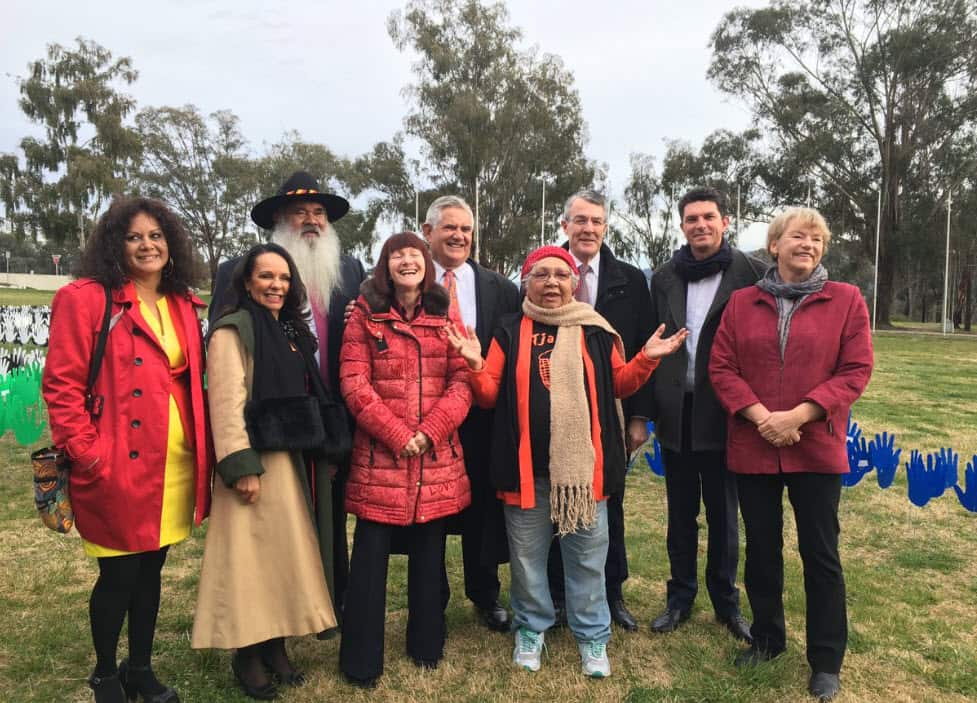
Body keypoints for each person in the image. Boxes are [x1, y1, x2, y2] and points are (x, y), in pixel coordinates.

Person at [447, 246, 687, 678]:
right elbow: (486, 394)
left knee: (588, 559)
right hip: (525, 473)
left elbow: (619, 383)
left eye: (561, 274)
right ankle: (531, 628)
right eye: (542, 274)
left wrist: (647, 358)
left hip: (584, 475)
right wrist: (473, 363)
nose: (552, 283)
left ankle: (593, 636)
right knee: (526, 559)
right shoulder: (509, 330)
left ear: (574, 283)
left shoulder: (595, 331)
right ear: (527, 281)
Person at [43, 196, 212, 703]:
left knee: (152, 569)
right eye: (134, 236)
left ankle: (139, 667)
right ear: (114, 245)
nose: (147, 245)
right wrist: (89, 453)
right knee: (117, 574)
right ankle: (103, 674)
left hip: (173, 463)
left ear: (171, 244)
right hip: (115, 462)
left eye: (156, 236)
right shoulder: (86, 298)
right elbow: (62, 386)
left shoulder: (183, 301)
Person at [709, 207, 872, 701]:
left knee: (820, 553)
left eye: (817, 239)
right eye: (798, 236)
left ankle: (826, 660)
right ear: (774, 246)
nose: (809, 244)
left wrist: (797, 416)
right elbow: (722, 367)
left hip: (815, 447)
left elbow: (855, 370)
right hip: (754, 445)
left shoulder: (846, 300)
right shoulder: (741, 303)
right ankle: (767, 639)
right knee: (761, 550)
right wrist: (762, 418)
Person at [210, 171, 365, 618]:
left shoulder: (350, 269)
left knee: (330, 516)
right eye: (300, 212)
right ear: (279, 220)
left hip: (330, 416)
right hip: (269, 421)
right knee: (274, 522)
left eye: (318, 213)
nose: (311, 220)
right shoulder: (235, 273)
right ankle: (270, 615)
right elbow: (226, 354)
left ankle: (329, 600)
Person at [192, 243, 339, 700]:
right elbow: (226, 401)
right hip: (256, 461)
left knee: (283, 558)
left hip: (291, 459)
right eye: (266, 277)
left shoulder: (291, 331)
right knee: (250, 563)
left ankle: (276, 646)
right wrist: (240, 467)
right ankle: (248, 655)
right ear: (246, 282)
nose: (277, 286)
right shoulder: (232, 331)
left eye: (283, 278)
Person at [338, 232, 473, 687]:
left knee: (429, 557)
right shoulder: (363, 315)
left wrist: (429, 432)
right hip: (382, 460)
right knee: (369, 564)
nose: (407, 261)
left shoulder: (446, 313)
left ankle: (426, 646)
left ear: (427, 263)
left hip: (435, 460)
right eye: (398, 255)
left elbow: (462, 383)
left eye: (414, 254)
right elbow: (355, 384)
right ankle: (361, 660)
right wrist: (399, 435)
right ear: (385, 265)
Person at [646, 187, 763, 641]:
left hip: (727, 413)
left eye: (708, 217)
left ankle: (726, 603)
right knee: (680, 513)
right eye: (691, 218)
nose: (700, 225)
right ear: (682, 226)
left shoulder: (752, 273)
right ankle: (679, 597)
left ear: (725, 222)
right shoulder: (664, 278)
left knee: (723, 514)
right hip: (677, 412)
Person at [548, 189, 655, 632]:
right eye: (580, 220)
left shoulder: (629, 279)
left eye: (596, 221)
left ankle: (611, 594)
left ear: (605, 227)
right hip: (555, 413)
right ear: (565, 226)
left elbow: (647, 346)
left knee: (610, 504)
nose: (588, 228)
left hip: (611, 414)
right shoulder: (546, 274)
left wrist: (638, 416)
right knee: (557, 503)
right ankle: (556, 598)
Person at [422, 195, 520, 632]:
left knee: (482, 507)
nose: (459, 236)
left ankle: (485, 594)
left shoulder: (501, 288)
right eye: (449, 228)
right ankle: (432, 596)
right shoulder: (407, 282)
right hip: (426, 416)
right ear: (428, 233)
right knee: (434, 510)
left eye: (465, 229)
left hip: (482, 415)